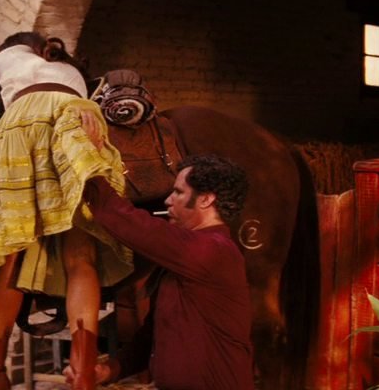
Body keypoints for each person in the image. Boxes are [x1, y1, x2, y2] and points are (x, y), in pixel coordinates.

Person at [0, 32, 133, 390]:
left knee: (11, 254)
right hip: (80, 118)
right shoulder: (71, 73)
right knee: (81, 256)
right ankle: (83, 372)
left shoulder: (7, 57)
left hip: (24, 120)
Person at [67, 118, 255, 389]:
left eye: (178, 192)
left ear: (206, 199)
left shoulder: (213, 250)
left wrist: (90, 158)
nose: (168, 200)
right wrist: (110, 370)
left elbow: (129, 222)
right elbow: (153, 336)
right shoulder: (184, 258)